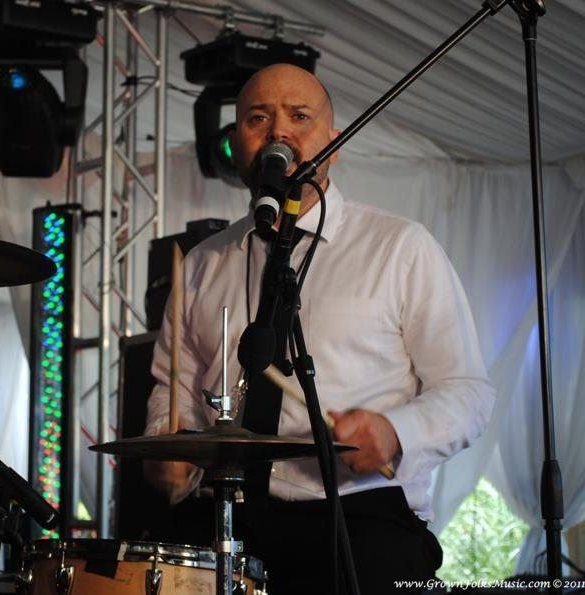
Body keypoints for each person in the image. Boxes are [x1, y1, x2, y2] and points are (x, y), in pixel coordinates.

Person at [143, 63, 495, 594]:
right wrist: (166, 449)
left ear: (334, 142)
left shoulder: (400, 247)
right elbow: (175, 390)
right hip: (228, 517)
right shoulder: (201, 263)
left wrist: (394, 432)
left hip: (359, 516)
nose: (278, 131)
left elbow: (468, 393)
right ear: (237, 144)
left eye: (299, 116)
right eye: (258, 118)